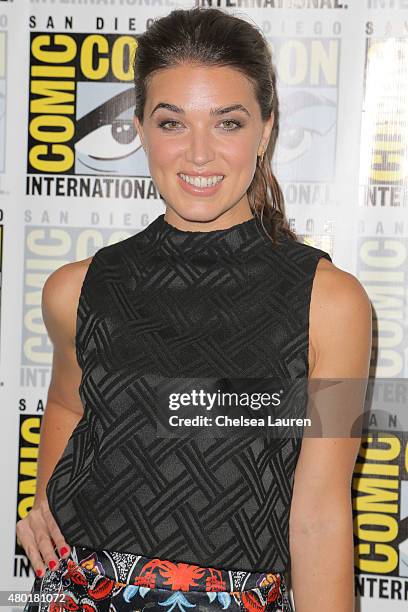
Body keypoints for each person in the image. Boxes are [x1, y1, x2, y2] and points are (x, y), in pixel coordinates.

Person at [17, 7, 372, 612]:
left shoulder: (332, 303)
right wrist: (41, 507)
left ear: (265, 131)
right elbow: (69, 401)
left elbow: (319, 519)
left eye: (227, 123)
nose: (199, 154)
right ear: (141, 129)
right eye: (172, 122)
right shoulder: (76, 289)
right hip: (78, 593)